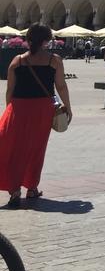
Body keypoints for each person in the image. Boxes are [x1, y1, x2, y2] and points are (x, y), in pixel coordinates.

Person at [0, 25, 72, 207]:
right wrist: (68, 107)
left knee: (14, 148)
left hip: (18, 108)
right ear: (46, 41)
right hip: (42, 109)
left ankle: (14, 189)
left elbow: (9, 90)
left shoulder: (18, 60)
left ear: (29, 39)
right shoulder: (54, 60)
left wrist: (11, 110)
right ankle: (31, 187)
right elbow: (61, 86)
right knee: (36, 149)